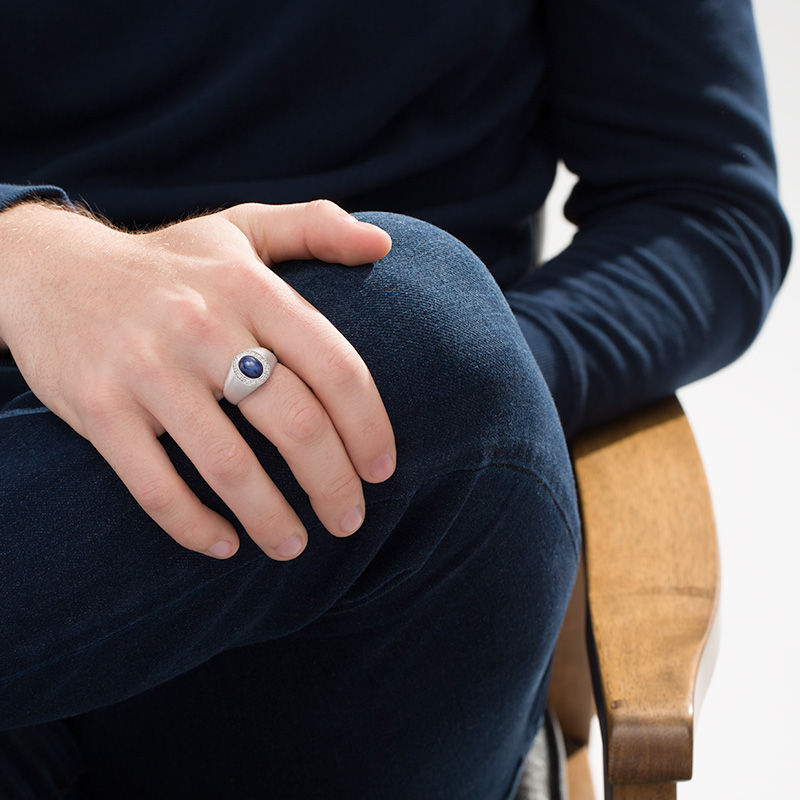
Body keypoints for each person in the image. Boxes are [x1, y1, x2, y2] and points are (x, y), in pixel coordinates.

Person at [0, 1, 790, 797]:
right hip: (23, 455)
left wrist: (449, 370)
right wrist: (25, 254)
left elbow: (702, 209)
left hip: (375, 579)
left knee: (420, 326)